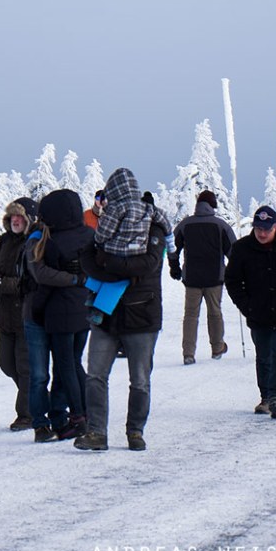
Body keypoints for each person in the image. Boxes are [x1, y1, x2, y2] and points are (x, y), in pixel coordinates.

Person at [75, 168, 166, 452]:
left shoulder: (154, 225)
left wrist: (107, 266)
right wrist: (113, 269)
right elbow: (87, 259)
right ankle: (96, 433)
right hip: (106, 314)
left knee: (139, 379)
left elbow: (148, 264)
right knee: (95, 375)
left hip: (142, 314)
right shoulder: (106, 223)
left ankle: (135, 431)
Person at [23, 189, 94, 443]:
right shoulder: (89, 236)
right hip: (84, 307)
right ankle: (79, 414)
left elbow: (43, 279)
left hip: (59, 312)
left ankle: (79, 416)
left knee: (66, 366)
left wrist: (38, 309)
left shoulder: (50, 241)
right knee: (74, 363)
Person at [225, 206, 276, 419]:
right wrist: (246, 306)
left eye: (266, 229)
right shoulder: (241, 248)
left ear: (275, 227)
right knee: (264, 355)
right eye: (258, 228)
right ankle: (265, 396)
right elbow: (232, 281)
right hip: (258, 312)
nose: (262, 233)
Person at [0, 197, 38, 431]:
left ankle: (26, 414)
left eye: (19, 217)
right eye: (12, 216)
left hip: (27, 313)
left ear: (28, 219)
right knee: (7, 364)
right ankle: (36, 395)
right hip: (4, 314)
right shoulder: (4, 241)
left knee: (25, 367)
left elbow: (30, 281)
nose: (15, 220)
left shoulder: (35, 243)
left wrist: (0, 285)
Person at [168, 190, 236, 365]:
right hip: (215, 278)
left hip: (192, 278)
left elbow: (172, 248)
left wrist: (174, 268)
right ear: (212, 206)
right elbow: (234, 253)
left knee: (190, 315)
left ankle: (188, 353)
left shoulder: (185, 224)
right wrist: (236, 273)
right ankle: (217, 347)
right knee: (215, 312)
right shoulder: (221, 225)